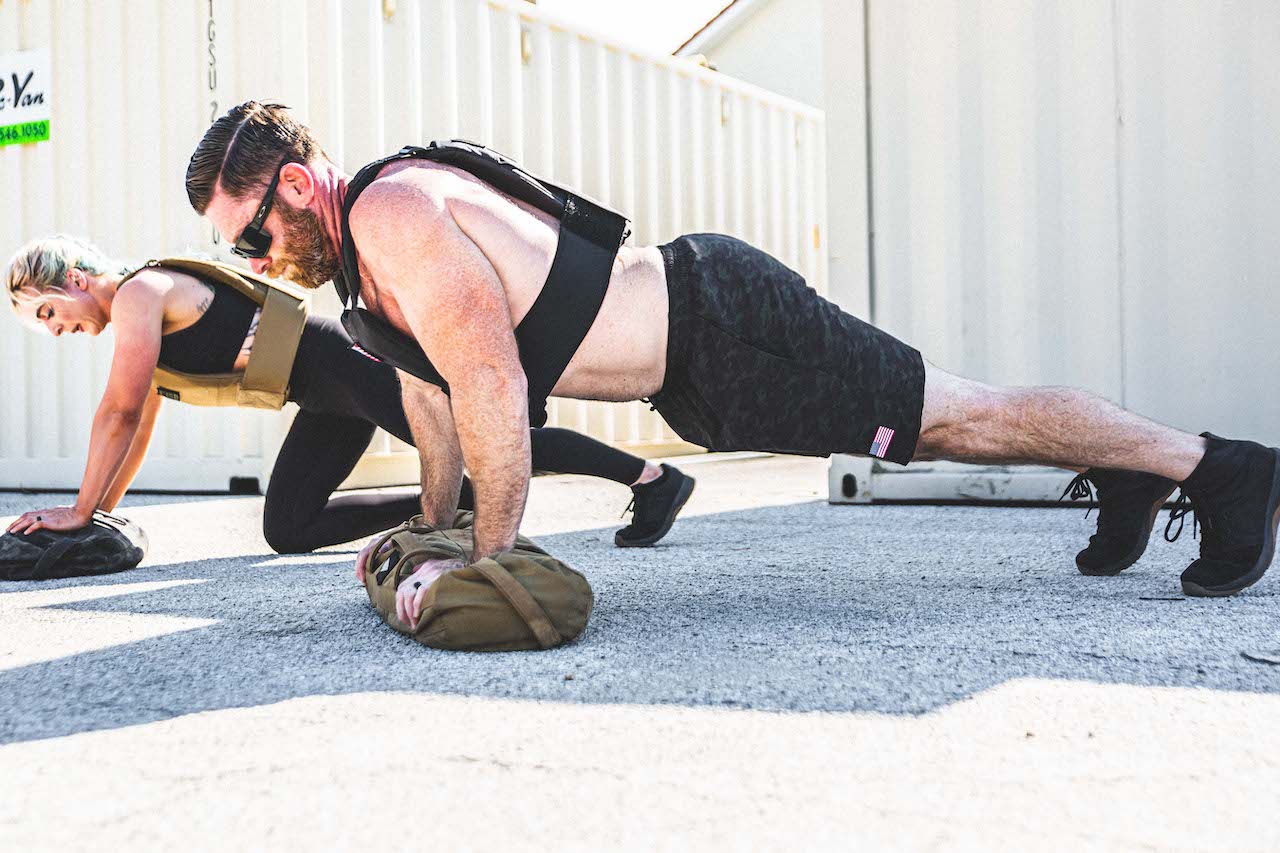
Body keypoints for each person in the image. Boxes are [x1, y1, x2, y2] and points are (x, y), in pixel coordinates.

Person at [185, 101, 1279, 626]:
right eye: (239, 254)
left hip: (725, 324)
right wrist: (435, 528)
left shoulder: (393, 213)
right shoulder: (362, 278)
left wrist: (493, 559)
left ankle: (1217, 468)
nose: (256, 264)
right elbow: (433, 401)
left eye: (251, 237)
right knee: (952, 423)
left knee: (960, 418)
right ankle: (1133, 470)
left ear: (294, 184)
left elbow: (490, 384)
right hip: (702, 374)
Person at [3, 235, 695, 551]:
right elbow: (139, 424)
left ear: (75, 281)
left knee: (499, 437)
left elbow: (118, 412)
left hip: (346, 361)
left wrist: (76, 511)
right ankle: (460, 501)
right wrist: (100, 514)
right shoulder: (137, 318)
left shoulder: (139, 294)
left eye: (48, 313)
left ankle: (654, 478)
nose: (57, 330)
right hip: (320, 394)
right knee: (287, 528)